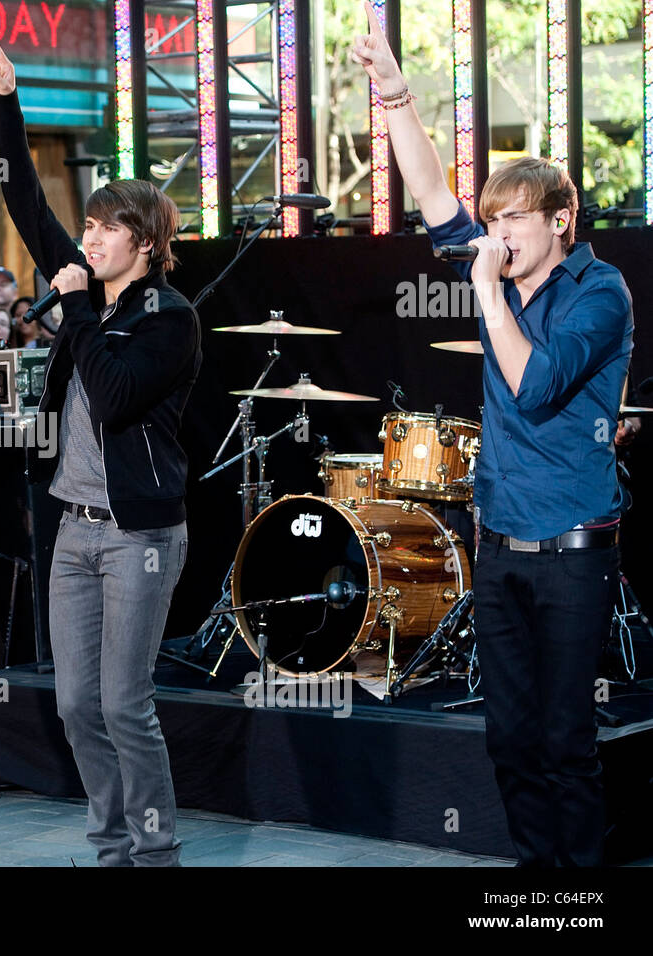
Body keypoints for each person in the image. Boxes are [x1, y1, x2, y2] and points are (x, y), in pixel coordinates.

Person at [351, 4, 633, 867]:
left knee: (564, 744)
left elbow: (535, 380)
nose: (498, 231)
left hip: (574, 547)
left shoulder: (600, 292)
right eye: (493, 219)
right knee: (509, 742)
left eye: (514, 218)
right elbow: (433, 192)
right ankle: (534, 881)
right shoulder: (501, 273)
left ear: (559, 222)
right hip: (503, 542)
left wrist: (484, 292)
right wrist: (397, 98)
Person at [0, 38, 199, 866]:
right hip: (74, 531)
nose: (88, 238)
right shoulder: (86, 291)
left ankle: (153, 854)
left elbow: (111, 397)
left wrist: (77, 312)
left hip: (139, 535)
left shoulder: (168, 318)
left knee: (124, 704)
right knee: (77, 706)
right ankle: (109, 847)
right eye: (89, 227)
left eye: (106, 228)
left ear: (143, 241)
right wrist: (7, 111)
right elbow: (29, 209)